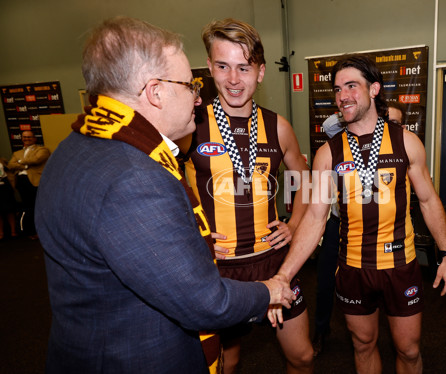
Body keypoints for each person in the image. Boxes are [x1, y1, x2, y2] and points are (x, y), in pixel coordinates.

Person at [34, 16, 295, 374]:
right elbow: (204, 302)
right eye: (191, 84)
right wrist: (271, 291)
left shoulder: (75, 147)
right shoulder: (134, 178)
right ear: (155, 92)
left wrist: (295, 219)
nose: (197, 97)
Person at [275, 55, 446, 374]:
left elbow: (428, 201)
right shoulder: (327, 153)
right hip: (353, 268)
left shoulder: (406, 142)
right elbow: (316, 218)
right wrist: (284, 275)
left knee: (410, 350)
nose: (342, 95)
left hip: (400, 266)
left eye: (351, 86)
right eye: (337, 89)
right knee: (362, 345)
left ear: (374, 89)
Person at [176, 18, 313, 374]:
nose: (234, 79)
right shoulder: (191, 124)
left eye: (244, 68)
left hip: (272, 261)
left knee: (303, 357)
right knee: (227, 361)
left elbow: (305, 179)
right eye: (223, 66)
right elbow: (161, 185)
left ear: (261, 72)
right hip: (218, 268)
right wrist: (193, 233)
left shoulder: (278, 126)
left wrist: (295, 223)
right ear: (209, 67)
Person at [312, 103, 407, 357]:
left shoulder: (401, 148)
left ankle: (390, 335)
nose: (390, 125)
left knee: (385, 289)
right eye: (387, 119)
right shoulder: (348, 139)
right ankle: (321, 331)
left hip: (384, 233)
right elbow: (329, 125)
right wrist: (362, 114)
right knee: (324, 283)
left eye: (395, 123)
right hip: (339, 226)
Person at [8, 130, 50, 239]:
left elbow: (36, 160)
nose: (26, 139)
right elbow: (10, 165)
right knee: (27, 207)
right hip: (21, 182)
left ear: (34, 138)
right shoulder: (17, 153)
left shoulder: (42, 150)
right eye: (24, 137)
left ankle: (42, 231)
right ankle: (30, 231)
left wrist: (20, 162)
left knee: (37, 206)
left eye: (29, 137)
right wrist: (25, 166)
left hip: (35, 182)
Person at [0, 158, 18, 240]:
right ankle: (1, 232)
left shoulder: (2, 160)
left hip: (5, 186)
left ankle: (13, 231)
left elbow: (10, 169)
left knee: (10, 209)